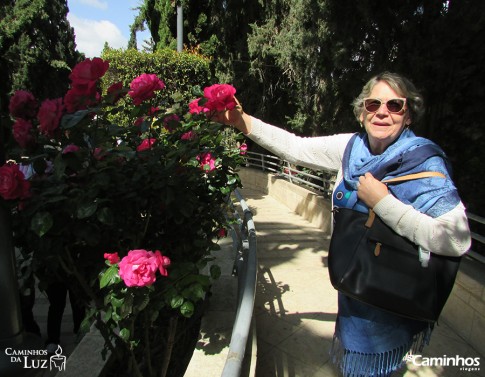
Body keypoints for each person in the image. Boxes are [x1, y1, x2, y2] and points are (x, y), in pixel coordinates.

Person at [215, 72, 471, 376]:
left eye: (395, 105)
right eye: (373, 103)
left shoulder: (424, 162)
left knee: (377, 364)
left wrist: (384, 204)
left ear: (409, 115)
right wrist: (240, 121)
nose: (382, 112)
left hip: (394, 293)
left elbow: (456, 240)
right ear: (362, 111)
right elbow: (296, 148)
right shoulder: (352, 148)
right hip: (357, 282)